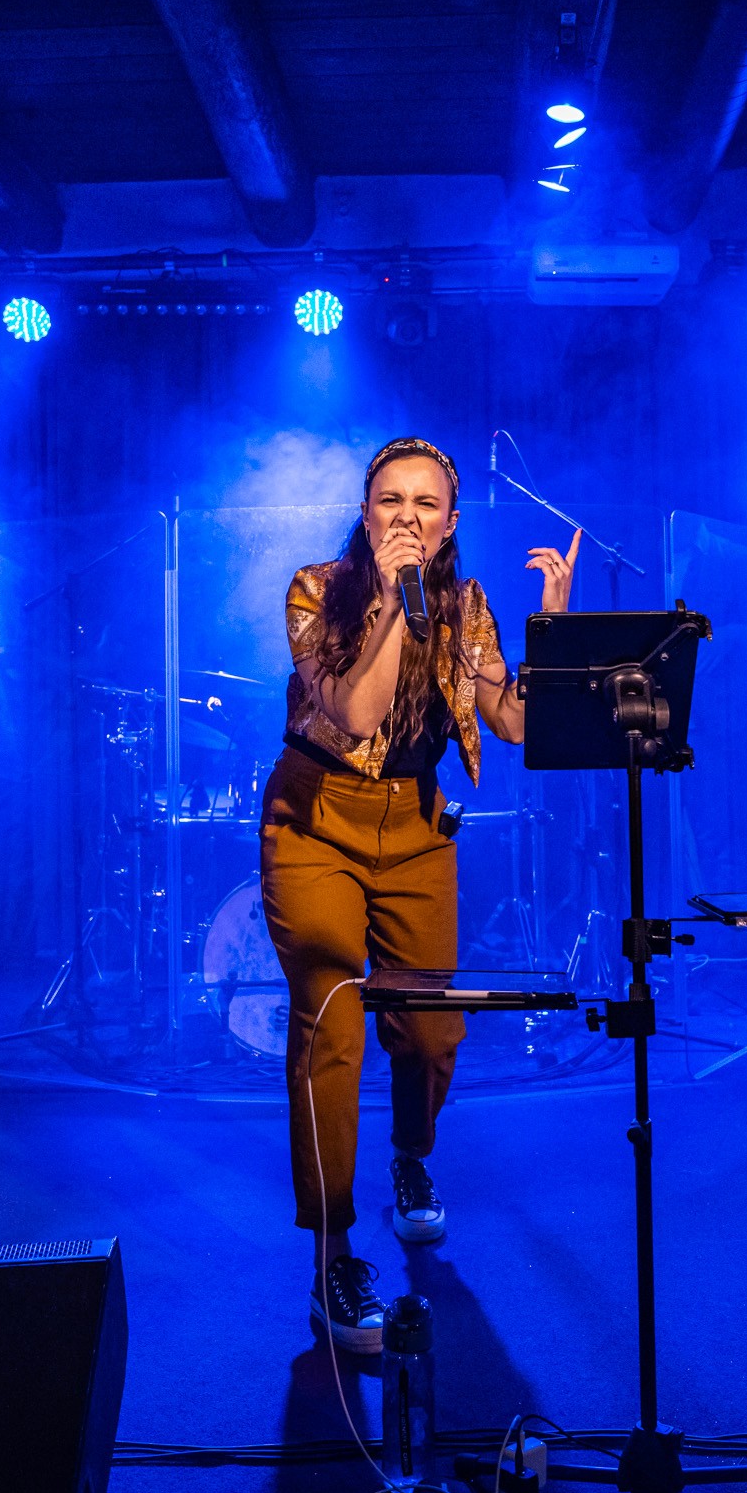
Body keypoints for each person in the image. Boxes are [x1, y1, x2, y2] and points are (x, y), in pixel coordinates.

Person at [266, 437, 577, 1350]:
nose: (406, 515)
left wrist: (549, 627)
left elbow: (515, 724)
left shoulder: (469, 606)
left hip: (414, 826)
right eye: (388, 501)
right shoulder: (317, 589)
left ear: (449, 523)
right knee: (331, 1024)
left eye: (425, 504)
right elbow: (355, 713)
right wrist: (400, 608)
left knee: (432, 1028)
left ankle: (409, 1157)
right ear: (366, 514)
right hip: (315, 816)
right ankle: (331, 1252)